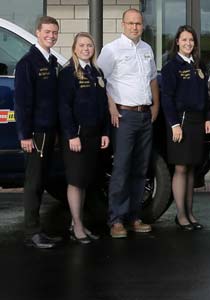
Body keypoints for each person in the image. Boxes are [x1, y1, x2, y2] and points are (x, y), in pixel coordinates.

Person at [97, 8, 159, 238]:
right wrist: (111, 105)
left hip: (144, 115)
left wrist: (155, 107)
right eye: (131, 23)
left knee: (140, 169)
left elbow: (152, 78)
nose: (135, 27)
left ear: (142, 26)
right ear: (123, 25)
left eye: (138, 23)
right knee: (122, 168)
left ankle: (133, 216)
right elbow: (99, 80)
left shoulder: (147, 49)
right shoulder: (111, 50)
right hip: (123, 116)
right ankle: (116, 220)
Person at [15, 16, 63, 249]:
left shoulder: (52, 61)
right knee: (33, 182)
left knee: (42, 180)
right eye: (47, 32)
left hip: (50, 131)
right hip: (36, 133)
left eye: (54, 32)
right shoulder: (28, 63)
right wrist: (24, 135)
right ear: (37, 32)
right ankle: (32, 231)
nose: (51, 36)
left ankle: (38, 230)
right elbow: (22, 103)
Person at [58, 32, 110, 244]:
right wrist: (72, 135)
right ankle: (77, 226)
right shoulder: (68, 73)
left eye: (89, 45)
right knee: (76, 181)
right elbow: (64, 107)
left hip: (94, 135)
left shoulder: (97, 72)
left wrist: (105, 132)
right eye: (82, 45)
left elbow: (104, 107)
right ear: (74, 48)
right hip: (76, 136)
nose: (86, 48)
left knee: (86, 180)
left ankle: (77, 222)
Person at [161, 25, 210, 231]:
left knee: (192, 168)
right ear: (177, 42)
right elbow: (167, 98)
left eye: (191, 40)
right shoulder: (171, 67)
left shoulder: (199, 66)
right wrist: (174, 124)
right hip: (180, 122)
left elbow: (207, 96)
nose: (188, 43)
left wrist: (208, 118)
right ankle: (180, 215)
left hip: (197, 122)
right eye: (184, 40)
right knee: (181, 167)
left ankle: (190, 213)